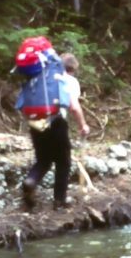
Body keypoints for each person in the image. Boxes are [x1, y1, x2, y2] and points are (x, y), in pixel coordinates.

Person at [21, 52, 90, 210]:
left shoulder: (40, 78)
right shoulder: (69, 80)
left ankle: (30, 181)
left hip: (35, 122)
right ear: (72, 69)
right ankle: (60, 200)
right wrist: (83, 125)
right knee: (63, 161)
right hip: (57, 122)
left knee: (43, 159)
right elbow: (74, 107)